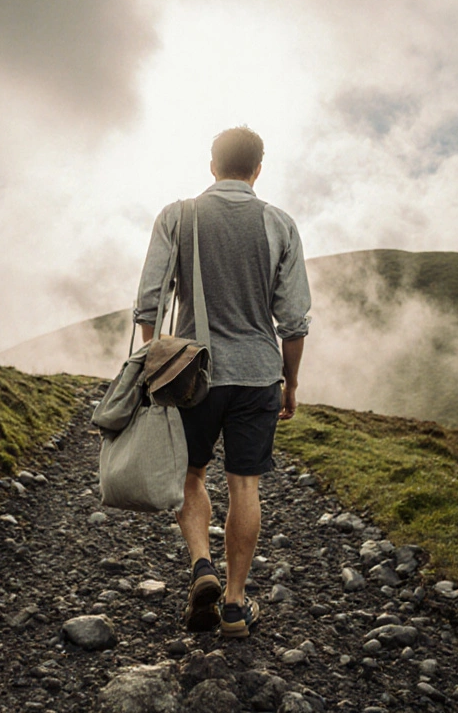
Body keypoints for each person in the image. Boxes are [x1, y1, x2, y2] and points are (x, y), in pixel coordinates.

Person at [133, 126, 311, 638]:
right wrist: (289, 383)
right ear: (258, 169)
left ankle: (200, 567)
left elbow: (150, 302)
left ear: (212, 165)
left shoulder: (178, 216)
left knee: (191, 476)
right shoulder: (280, 224)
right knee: (244, 485)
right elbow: (294, 320)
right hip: (258, 375)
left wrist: (153, 362)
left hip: (193, 374)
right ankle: (234, 604)